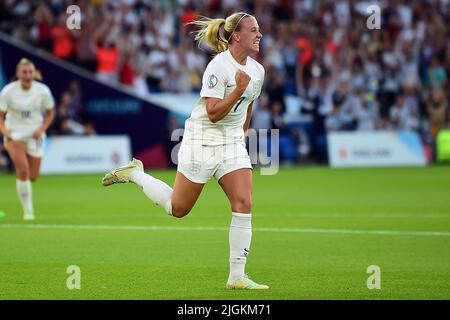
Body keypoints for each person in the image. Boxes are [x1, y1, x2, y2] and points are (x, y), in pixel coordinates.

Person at [102, 12, 267, 290]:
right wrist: (238, 90)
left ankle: (236, 276)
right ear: (237, 35)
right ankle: (135, 174)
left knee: (244, 203)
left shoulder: (257, 70)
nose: (259, 34)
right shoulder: (218, 67)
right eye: (254, 30)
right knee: (178, 209)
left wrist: (241, 137)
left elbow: (249, 104)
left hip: (230, 144)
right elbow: (213, 113)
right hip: (201, 140)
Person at [0, 58, 55, 220]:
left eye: (30, 72)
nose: (27, 75)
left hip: (35, 135)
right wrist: (5, 132)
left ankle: (23, 183)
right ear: (18, 74)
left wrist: (42, 129)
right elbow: (0, 115)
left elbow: (51, 113)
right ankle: (28, 212)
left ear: (34, 73)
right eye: (24, 72)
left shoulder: (43, 91)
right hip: (15, 134)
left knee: (33, 176)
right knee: (23, 169)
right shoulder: (8, 91)